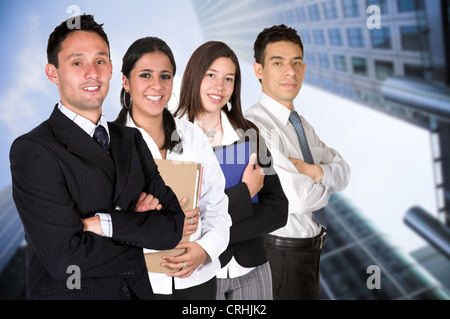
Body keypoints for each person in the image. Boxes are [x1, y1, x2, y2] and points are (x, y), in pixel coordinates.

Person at [9, 15, 185, 300]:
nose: (92, 72)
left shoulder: (131, 139)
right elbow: (66, 259)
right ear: (53, 73)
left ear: (112, 68)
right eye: (77, 63)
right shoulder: (34, 149)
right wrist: (138, 233)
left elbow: (171, 229)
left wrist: (102, 225)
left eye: (100, 61)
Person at [114, 36, 231, 300]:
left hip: (196, 281)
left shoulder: (193, 135)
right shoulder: (108, 144)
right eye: (145, 75)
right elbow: (97, 224)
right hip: (137, 284)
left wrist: (205, 249)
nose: (157, 85)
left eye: (165, 76)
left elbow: (217, 207)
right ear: (125, 82)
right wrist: (144, 222)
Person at [174, 41, 288, 300]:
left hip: (253, 269)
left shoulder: (250, 135)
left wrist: (213, 234)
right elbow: (181, 220)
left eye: (229, 78)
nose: (220, 87)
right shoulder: (172, 138)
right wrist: (245, 192)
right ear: (194, 77)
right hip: (201, 273)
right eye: (211, 75)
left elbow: (278, 210)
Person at [244, 24, 351, 300]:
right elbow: (297, 199)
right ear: (259, 70)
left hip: (309, 254)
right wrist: (324, 179)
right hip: (279, 257)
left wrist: (312, 171)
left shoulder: (301, 125)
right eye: (277, 63)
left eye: (296, 63)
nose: (290, 71)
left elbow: (344, 172)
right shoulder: (254, 126)